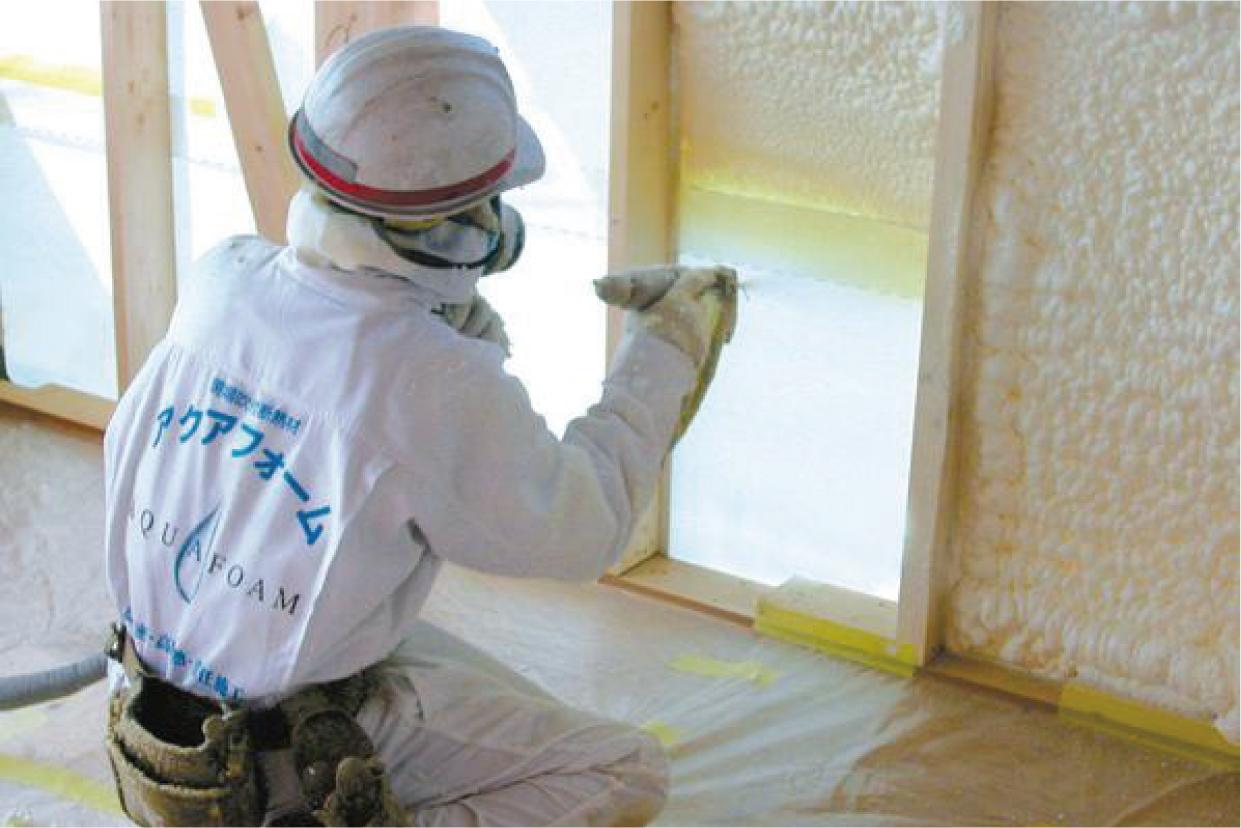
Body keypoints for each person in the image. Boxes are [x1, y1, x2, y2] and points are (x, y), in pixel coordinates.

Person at [101, 25, 728, 827]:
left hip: (151, 727)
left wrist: (448, 327)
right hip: (270, 766)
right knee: (622, 770)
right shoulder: (429, 381)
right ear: (463, 218)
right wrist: (667, 343)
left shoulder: (225, 277)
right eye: (488, 206)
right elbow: (587, 525)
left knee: (481, 680)